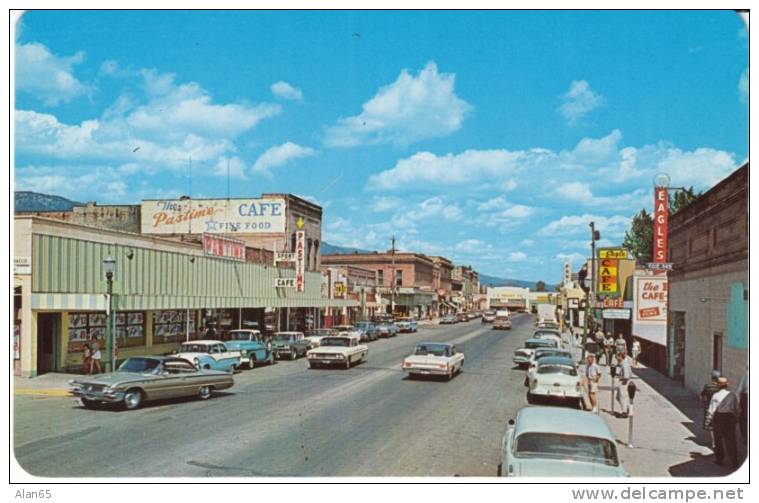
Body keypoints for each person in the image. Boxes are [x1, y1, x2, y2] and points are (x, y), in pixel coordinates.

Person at [709, 377, 740, 469]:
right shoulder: (732, 395)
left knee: (718, 439)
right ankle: (734, 461)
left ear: (718, 386)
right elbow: (736, 408)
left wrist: (710, 420)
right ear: (727, 385)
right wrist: (736, 417)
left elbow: (712, 410)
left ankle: (720, 459)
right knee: (731, 439)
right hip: (730, 417)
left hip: (719, 417)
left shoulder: (715, 395)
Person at [700, 370, 722, 448]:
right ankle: (718, 440)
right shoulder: (720, 387)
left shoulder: (707, 386)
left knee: (711, 426)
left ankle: (713, 442)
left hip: (709, 408)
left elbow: (702, 396)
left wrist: (703, 403)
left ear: (712, 378)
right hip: (719, 408)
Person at [614, 352, 633, 418]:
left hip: (624, 383)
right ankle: (626, 408)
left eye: (617, 357)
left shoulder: (624, 365)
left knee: (622, 398)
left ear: (620, 357)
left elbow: (626, 376)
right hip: (623, 382)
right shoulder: (624, 364)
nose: (616, 359)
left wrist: (620, 378)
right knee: (618, 397)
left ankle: (624, 412)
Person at [737, 367, 748, 445]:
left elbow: (740, 389)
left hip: (747, 397)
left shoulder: (746, 374)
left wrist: (737, 401)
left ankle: (746, 437)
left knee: (744, 418)